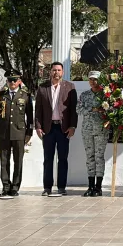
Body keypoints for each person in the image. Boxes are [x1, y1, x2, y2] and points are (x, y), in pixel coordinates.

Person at [36, 62, 78, 196]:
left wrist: (72, 126)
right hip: (48, 128)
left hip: (63, 128)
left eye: (59, 70)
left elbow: (73, 110)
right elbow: (38, 109)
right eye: (54, 70)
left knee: (63, 158)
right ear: (50, 72)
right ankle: (47, 187)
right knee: (48, 158)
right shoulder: (43, 88)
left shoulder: (69, 87)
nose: (56, 73)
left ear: (63, 72)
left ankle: (61, 187)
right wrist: (38, 126)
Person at [0, 70, 33, 198]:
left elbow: (30, 117)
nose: (12, 82)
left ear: (19, 81)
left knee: (18, 161)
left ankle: (15, 187)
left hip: (19, 132)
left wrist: (29, 133)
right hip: (3, 132)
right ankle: (5, 186)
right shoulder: (1, 95)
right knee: (4, 161)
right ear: (7, 81)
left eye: (15, 80)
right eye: (10, 80)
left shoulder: (25, 95)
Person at [78, 71, 107, 197]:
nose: (93, 82)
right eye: (91, 79)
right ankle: (90, 186)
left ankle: (98, 187)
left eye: (95, 79)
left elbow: (111, 110)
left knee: (99, 157)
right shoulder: (84, 95)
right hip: (87, 130)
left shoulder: (106, 95)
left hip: (101, 130)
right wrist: (93, 109)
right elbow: (78, 109)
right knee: (89, 157)